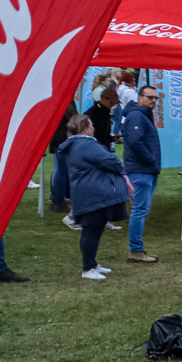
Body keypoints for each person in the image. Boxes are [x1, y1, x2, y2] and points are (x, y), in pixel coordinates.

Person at [55, 114, 130, 280]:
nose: (93, 128)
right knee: (91, 231)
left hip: (84, 192)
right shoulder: (86, 144)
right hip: (92, 194)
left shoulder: (74, 144)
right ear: (85, 129)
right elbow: (110, 160)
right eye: (91, 125)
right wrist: (119, 168)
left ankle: (92, 264)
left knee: (92, 230)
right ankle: (88, 268)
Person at [122, 84, 161, 264]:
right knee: (139, 210)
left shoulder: (143, 114)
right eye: (149, 97)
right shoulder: (137, 116)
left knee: (141, 210)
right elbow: (135, 142)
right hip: (141, 170)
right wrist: (150, 159)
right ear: (140, 98)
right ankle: (135, 250)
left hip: (145, 170)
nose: (153, 101)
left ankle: (136, 249)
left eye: (155, 98)